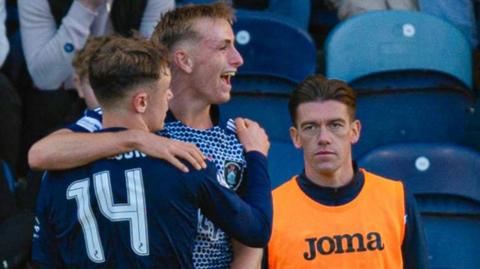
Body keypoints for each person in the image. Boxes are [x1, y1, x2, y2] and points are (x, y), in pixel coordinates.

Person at [29, 2, 268, 268]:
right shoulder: (122, 118)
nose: (238, 59)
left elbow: (250, 239)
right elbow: (41, 154)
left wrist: (257, 155)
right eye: (223, 47)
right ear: (183, 60)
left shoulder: (242, 138)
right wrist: (138, 138)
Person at [265, 75, 429, 268]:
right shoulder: (271, 210)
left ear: (354, 131)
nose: (324, 138)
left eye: (335, 125)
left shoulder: (396, 199)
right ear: (296, 137)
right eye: (310, 127)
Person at [17, 0, 175, 176]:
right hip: (64, 99)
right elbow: (45, 78)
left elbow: (157, 69)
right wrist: (85, 7)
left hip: (134, 95)